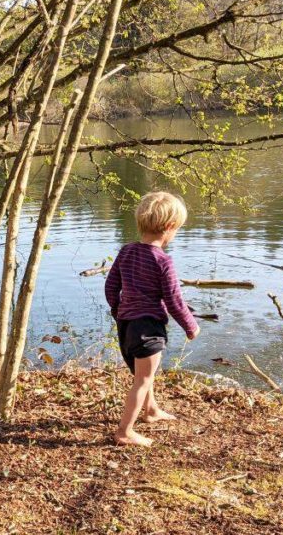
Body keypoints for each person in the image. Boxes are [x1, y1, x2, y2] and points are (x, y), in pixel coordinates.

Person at [104, 191, 200, 447]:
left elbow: (111, 287)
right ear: (169, 228)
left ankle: (152, 410)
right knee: (143, 380)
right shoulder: (163, 261)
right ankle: (125, 431)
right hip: (148, 327)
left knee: (143, 374)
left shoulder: (126, 252)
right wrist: (191, 326)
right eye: (177, 229)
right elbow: (174, 301)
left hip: (127, 325)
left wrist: (118, 310)